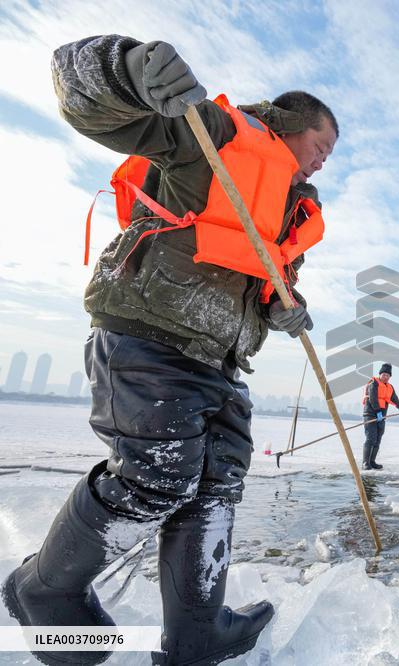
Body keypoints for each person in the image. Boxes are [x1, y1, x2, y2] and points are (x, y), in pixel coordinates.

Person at [2, 35, 338, 666]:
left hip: (220, 359)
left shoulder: (291, 211)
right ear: (293, 123)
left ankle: (196, 632)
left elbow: (268, 280)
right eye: (322, 147)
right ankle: (44, 589)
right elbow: (97, 109)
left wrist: (283, 307)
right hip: (151, 337)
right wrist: (124, 70)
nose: (324, 162)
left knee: (216, 485)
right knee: (157, 478)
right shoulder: (216, 136)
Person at [360, 363, 399, 470]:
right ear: (380, 374)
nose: (385, 377)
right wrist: (377, 412)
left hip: (382, 417)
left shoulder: (390, 387)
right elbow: (373, 398)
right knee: (371, 438)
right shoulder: (373, 383)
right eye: (384, 375)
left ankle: (372, 462)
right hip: (370, 415)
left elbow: (394, 398)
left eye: (388, 375)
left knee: (378, 439)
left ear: (390, 377)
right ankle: (365, 462)